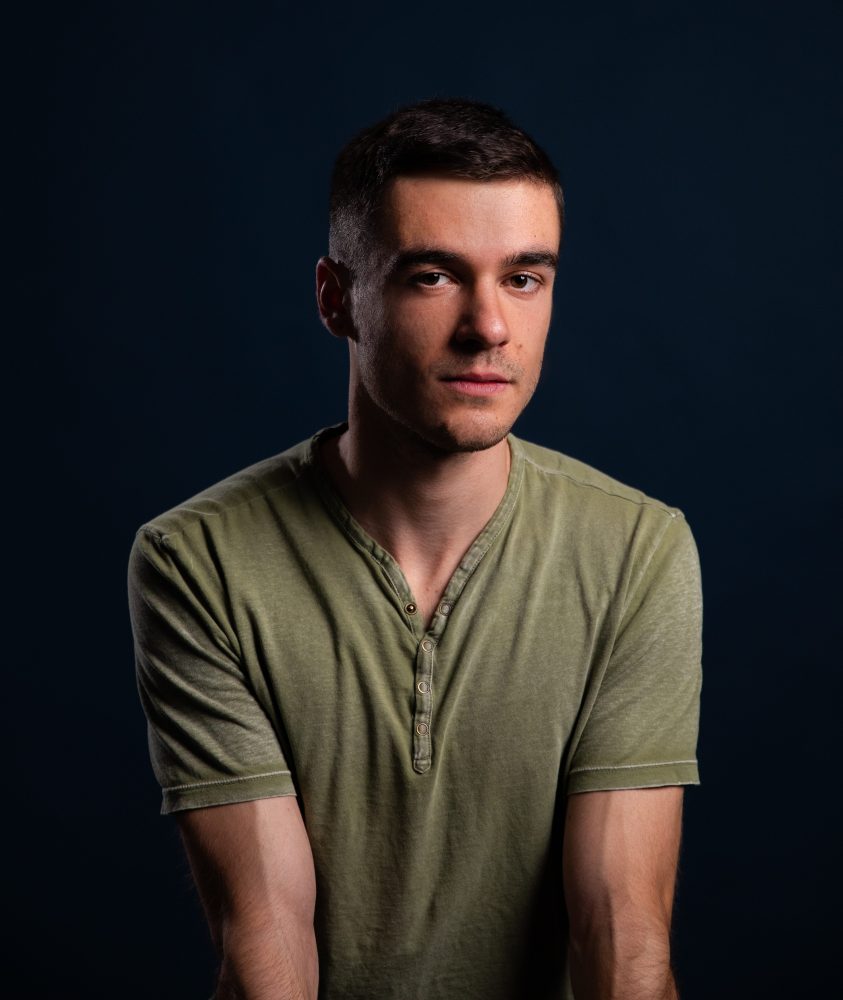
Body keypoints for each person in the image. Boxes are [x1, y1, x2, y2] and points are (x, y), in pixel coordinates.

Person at [128, 97, 702, 1000]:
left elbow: (622, 933)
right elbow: (266, 936)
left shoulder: (636, 549)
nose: (489, 329)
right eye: (433, 276)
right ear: (336, 299)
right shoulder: (200, 560)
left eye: (524, 278)